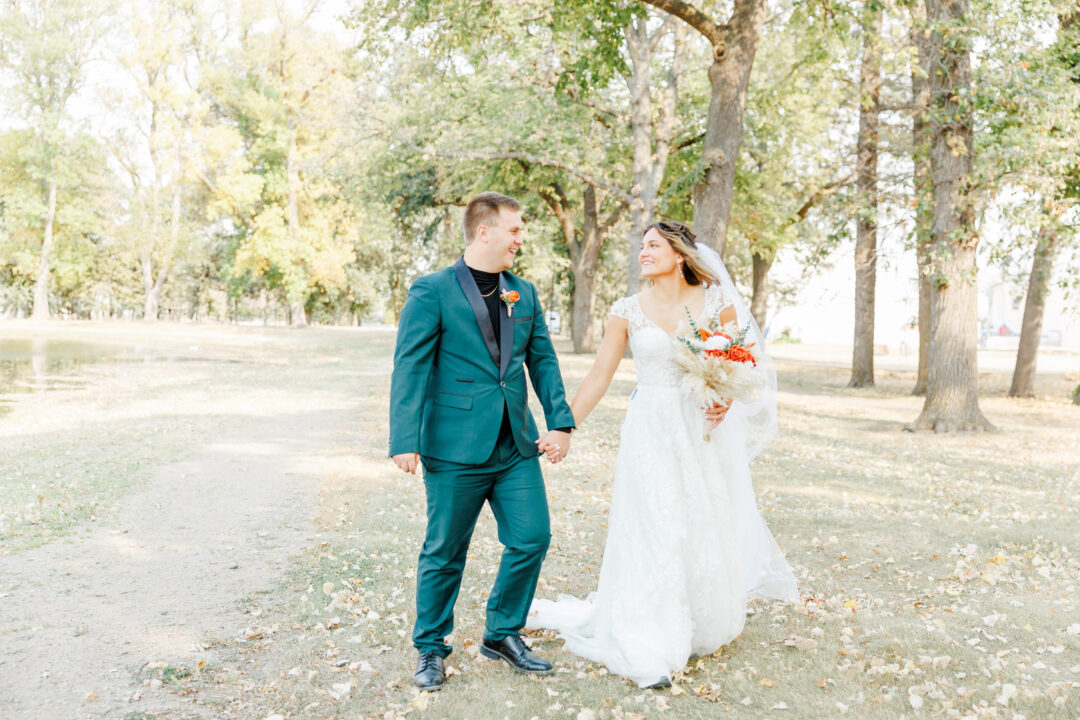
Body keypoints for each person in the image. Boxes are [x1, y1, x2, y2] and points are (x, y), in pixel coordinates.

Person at [527, 221, 799, 688]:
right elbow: (598, 377)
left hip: (699, 430)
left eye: (654, 245)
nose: (643, 252)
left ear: (679, 253)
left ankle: (700, 616)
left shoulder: (718, 304)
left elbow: (740, 366)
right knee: (655, 522)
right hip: (649, 429)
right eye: (642, 246)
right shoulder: (627, 311)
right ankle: (648, 634)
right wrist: (562, 426)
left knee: (699, 520)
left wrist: (724, 400)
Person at [389, 192, 576, 691]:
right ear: (484, 232)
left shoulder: (525, 293)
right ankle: (430, 647)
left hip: (516, 444)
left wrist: (560, 423)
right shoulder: (431, 291)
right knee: (445, 548)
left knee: (532, 537)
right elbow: (410, 365)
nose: (521, 239)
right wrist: (403, 439)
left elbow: (544, 363)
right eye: (514, 230)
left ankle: (502, 633)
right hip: (453, 448)